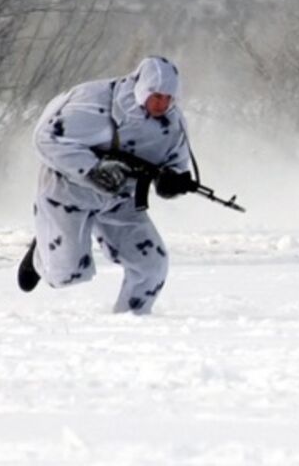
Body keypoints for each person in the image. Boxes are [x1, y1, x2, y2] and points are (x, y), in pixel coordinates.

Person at [17, 56, 197, 314]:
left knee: (152, 265)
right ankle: (39, 258)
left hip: (120, 198)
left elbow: (177, 164)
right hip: (67, 192)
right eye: (156, 96)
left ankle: (131, 321)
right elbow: (44, 138)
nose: (162, 104)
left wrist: (173, 182)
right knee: (67, 275)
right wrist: (92, 170)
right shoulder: (92, 102)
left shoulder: (173, 125)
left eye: (169, 98)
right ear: (142, 89)